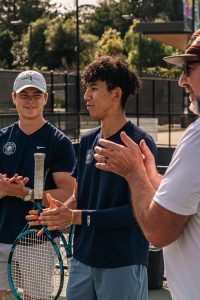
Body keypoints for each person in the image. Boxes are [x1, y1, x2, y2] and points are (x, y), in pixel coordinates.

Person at [27, 55, 157, 300]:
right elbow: (80, 194)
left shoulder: (139, 142)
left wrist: (76, 217)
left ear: (116, 93)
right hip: (82, 260)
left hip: (123, 262)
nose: (86, 96)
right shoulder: (87, 140)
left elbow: (139, 212)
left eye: (94, 89)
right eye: (87, 89)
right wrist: (58, 214)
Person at [93, 30, 200, 300]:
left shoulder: (197, 141)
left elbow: (158, 230)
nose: (181, 80)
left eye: (189, 68)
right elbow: (182, 203)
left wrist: (134, 172)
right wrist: (150, 173)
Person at [0, 70, 76, 299]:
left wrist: (26, 194)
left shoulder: (59, 142)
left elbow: (67, 193)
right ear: (14, 97)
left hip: (39, 241)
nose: (30, 100)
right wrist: (4, 189)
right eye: (24, 95)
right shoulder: (2, 138)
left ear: (45, 98)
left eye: (36, 94)